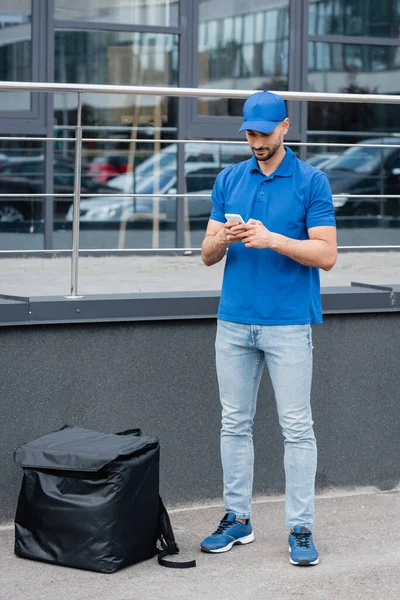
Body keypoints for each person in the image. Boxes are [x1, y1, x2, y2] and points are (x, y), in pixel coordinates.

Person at [200, 90, 337, 566]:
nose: (256, 142)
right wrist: (223, 236)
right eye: (250, 134)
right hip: (234, 320)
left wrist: (273, 239)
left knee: (296, 428)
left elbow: (327, 255)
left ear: (285, 126)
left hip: (287, 323)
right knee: (233, 423)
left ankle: (300, 528)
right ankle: (237, 519)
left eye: (263, 133)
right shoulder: (228, 179)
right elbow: (206, 255)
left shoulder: (312, 181)